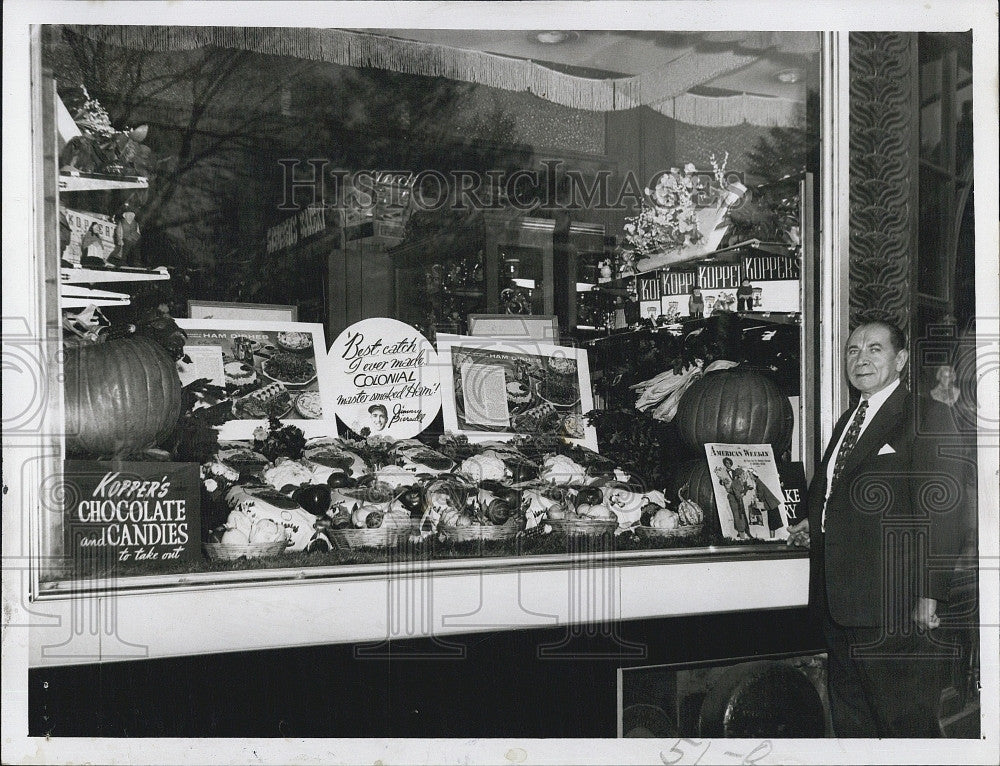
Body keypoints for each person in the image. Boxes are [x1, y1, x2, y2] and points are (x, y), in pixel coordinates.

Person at [787, 318, 964, 737]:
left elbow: (946, 511)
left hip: (893, 605)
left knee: (904, 725)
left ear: (900, 359)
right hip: (840, 604)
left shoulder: (926, 415)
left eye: (874, 349)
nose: (861, 358)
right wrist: (817, 521)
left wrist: (929, 594)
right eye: (852, 350)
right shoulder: (850, 419)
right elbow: (837, 491)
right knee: (853, 721)